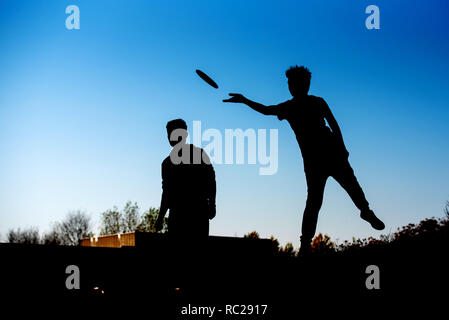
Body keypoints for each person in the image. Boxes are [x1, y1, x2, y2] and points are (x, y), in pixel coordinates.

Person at [223, 65, 384, 253]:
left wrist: (342, 148)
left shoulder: (315, 102)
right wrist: (244, 100)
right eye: (290, 84)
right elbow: (266, 110)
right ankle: (306, 241)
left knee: (349, 188)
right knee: (316, 201)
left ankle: (365, 212)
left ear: (306, 85)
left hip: (331, 154)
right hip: (315, 161)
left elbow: (334, 124)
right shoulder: (289, 107)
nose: (292, 87)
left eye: (296, 83)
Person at [155, 119, 216, 238]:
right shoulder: (168, 163)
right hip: (187, 214)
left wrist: (160, 218)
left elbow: (211, 182)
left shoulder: (169, 163)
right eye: (169, 133)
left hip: (190, 213)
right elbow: (167, 193)